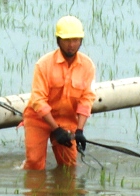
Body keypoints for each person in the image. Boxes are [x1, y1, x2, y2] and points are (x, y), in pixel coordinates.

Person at [21, 15, 96, 170]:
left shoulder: (87, 66)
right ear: (58, 40)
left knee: (68, 167)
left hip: (66, 119)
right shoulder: (43, 65)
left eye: (76, 40)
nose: (71, 45)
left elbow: (86, 99)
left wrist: (80, 130)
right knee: (35, 164)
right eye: (67, 40)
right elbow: (38, 100)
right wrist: (56, 130)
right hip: (39, 119)